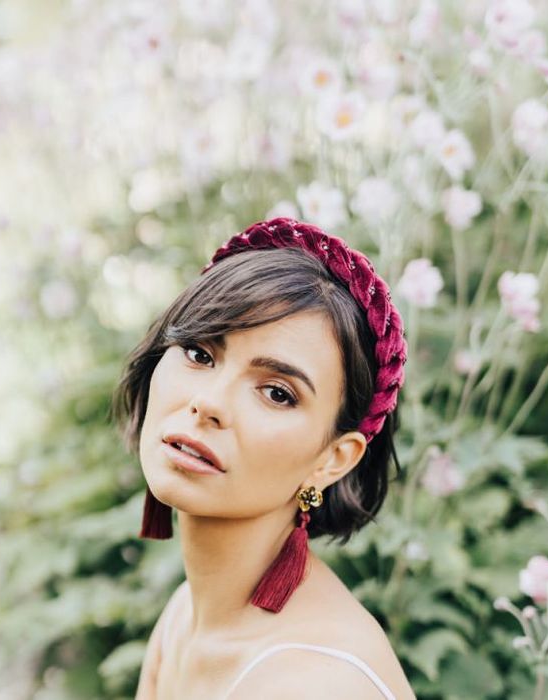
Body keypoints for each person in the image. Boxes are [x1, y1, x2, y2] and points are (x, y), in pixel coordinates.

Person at [111, 218, 416, 699]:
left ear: (333, 460)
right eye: (199, 352)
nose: (208, 403)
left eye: (277, 393)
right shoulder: (185, 616)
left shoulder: (320, 683)